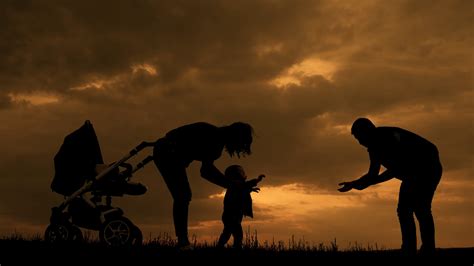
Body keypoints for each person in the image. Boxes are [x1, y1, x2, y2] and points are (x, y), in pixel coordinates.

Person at [338, 118, 442, 255]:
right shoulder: (374, 147)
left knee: (420, 209)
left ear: (367, 132)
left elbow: (395, 170)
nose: (360, 142)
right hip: (411, 172)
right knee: (406, 210)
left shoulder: (386, 138)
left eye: (359, 137)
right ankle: (411, 248)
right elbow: (373, 175)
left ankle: (424, 249)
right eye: (357, 139)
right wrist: (354, 184)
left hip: (427, 167)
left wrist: (362, 184)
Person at [153, 122, 254, 248]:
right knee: (183, 196)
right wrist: (230, 184)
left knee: (183, 196)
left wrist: (229, 184)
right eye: (240, 144)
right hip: (167, 152)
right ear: (235, 137)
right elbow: (206, 171)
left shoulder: (214, 138)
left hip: (166, 150)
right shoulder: (214, 140)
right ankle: (182, 242)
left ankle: (182, 240)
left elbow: (206, 171)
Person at [216, 165, 265, 249]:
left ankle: (222, 246)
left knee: (229, 232)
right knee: (236, 234)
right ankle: (230, 247)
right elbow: (244, 186)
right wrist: (257, 180)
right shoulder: (235, 184)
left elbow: (242, 189)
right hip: (232, 215)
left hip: (232, 215)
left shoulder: (234, 186)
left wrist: (251, 189)